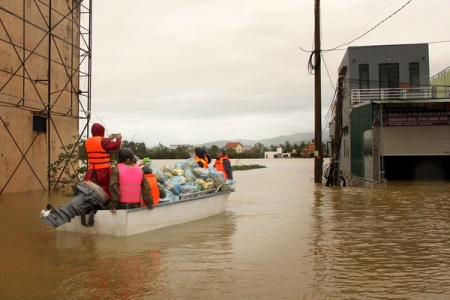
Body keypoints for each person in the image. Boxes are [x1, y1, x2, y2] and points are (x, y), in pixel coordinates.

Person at [109, 148, 154, 214]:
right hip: (135, 204)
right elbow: (146, 188)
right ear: (132, 158)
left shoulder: (117, 169)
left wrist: (113, 205)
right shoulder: (140, 170)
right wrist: (150, 203)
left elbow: (113, 187)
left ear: (120, 158)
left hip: (121, 205)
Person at [84, 123, 122, 198]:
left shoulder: (88, 141)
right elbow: (115, 146)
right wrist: (118, 138)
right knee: (105, 189)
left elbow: (98, 145)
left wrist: (108, 139)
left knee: (93, 189)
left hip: (91, 171)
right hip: (103, 171)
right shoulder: (103, 141)